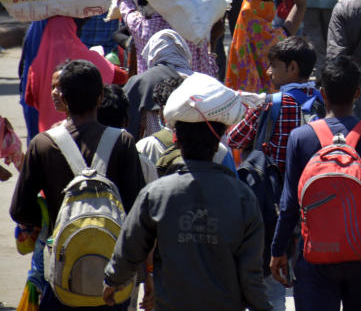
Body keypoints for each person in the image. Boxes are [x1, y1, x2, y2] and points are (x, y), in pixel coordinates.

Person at [103, 73, 270, 311]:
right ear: (220, 140)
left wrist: (113, 280)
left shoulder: (155, 194)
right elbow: (250, 274)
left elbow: (131, 248)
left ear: (176, 139)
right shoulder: (243, 198)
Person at [269, 55, 361, 311]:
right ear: (357, 92)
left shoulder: (300, 137)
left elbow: (289, 204)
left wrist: (278, 251)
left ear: (322, 93)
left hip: (314, 255)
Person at [11, 60, 145, 311]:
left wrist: (51, 220)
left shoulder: (42, 144)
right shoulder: (123, 141)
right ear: (100, 96)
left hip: (62, 272)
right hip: (112, 276)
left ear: (63, 97)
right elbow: (136, 211)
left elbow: (19, 209)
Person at [227, 36, 318, 175]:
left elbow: (234, 139)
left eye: (274, 66)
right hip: (310, 186)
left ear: (292, 67)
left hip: (274, 190)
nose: (268, 72)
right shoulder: (322, 100)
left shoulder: (268, 104)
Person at [114, 0, 218, 78]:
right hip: (190, 95)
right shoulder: (194, 26)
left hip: (151, 93)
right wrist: (213, 41)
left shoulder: (140, 27)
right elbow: (207, 74)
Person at [22, 17, 124, 140]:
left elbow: (30, 99)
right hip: (82, 133)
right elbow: (121, 77)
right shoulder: (86, 58)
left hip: (48, 133)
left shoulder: (35, 66)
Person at [226, 0, 308, 93]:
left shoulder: (237, 44)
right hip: (271, 107)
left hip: (244, 108)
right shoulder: (278, 41)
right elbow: (301, 4)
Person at [123, 29, 193, 139]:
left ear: (152, 54)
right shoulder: (199, 81)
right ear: (183, 52)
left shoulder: (139, 82)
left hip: (151, 151)